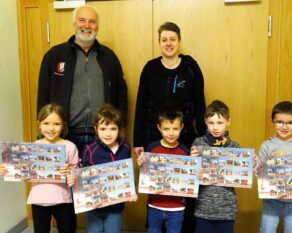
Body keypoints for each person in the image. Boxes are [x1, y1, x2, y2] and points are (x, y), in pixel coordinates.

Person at [37, 5, 128, 157]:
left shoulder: (109, 57)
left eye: (92, 21)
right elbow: (43, 95)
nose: (86, 26)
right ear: (74, 24)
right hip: (63, 135)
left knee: (97, 181)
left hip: (101, 136)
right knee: (67, 178)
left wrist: (120, 126)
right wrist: (43, 130)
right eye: (82, 20)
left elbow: (121, 95)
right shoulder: (54, 55)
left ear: (97, 26)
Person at [0, 104, 79, 233]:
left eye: (56, 124)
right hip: (39, 201)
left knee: (67, 230)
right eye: (46, 123)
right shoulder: (32, 147)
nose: (51, 128)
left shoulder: (70, 146)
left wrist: (70, 173)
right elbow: (22, 171)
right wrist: (7, 169)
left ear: (63, 125)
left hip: (64, 200)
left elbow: (76, 176)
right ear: (39, 124)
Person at [133, 21, 206, 156]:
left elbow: (200, 104)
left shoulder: (191, 67)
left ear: (179, 42)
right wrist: (138, 140)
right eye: (164, 40)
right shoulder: (150, 68)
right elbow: (140, 106)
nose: (168, 43)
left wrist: (203, 139)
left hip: (184, 135)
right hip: (154, 135)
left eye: (172, 39)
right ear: (159, 43)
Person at [79, 104, 134, 233]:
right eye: (103, 128)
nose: (108, 133)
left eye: (113, 129)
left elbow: (128, 171)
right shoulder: (89, 148)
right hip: (93, 206)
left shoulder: (125, 147)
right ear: (95, 129)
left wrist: (132, 190)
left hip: (115, 206)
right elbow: (82, 175)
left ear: (119, 129)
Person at [258, 101, 292, 233]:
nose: (284, 126)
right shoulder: (267, 145)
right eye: (280, 122)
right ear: (273, 122)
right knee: (266, 230)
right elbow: (260, 172)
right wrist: (256, 169)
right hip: (271, 200)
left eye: (290, 122)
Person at [137, 110, 190, 233]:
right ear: (159, 128)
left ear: (181, 127)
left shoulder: (185, 152)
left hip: (177, 207)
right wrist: (142, 165)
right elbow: (146, 176)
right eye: (166, 129)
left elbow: (189, 178)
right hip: (155, 205)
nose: (171, 133)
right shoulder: (151, 148)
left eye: (175, 128)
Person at [190, 100, 239, 233]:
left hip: (227, 209)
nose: (215, 127)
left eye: (220, 122)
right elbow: (190, 176)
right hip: (203, 208)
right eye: (211, 123)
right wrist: (193, 167)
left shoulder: (235, 147)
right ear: (205, 121)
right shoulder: (198, 143)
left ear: (228, 121)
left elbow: (240, 175)